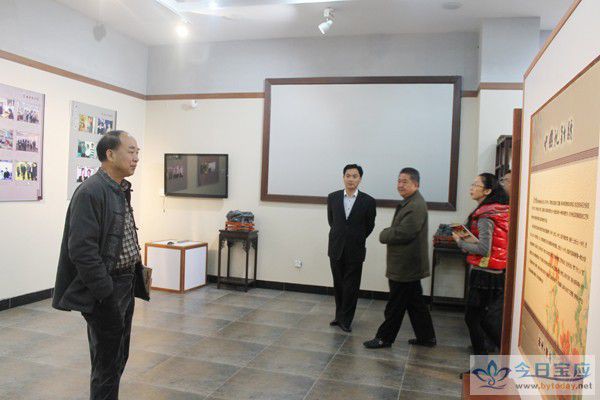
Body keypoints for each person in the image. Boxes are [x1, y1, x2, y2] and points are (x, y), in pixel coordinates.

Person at [52, 130, 148, 400]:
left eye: (137, 153)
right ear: (110, 154)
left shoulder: (119, 188)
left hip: (125, 283)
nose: (136, 158)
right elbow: (82, 251)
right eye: (131, 151)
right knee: (107, 363)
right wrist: (104, 292)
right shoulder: (91, 191)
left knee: (117, 357)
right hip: (107, 288)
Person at [363, 167, 436, 349]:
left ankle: (384, 338)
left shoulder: (415, 205)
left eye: (405, 181)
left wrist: (384, 234)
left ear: (416, 184)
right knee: (415, 303)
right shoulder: (411, 201)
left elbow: (405, 232)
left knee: (395, 305)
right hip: (407, 263)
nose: (400, 185)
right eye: (399, 181)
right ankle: (427, 337)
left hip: (406, 265)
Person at [452, 173, 509, 358]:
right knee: (481, 320)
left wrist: (460, 242)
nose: (472, 188)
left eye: (476, 185)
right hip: (492, 271)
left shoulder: (486, 215)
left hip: (485, 273)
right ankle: (488, 363)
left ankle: (486, 364)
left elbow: (484, 249)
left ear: (487, 191)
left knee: (475, 319)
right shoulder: (495, 211)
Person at [327, 164, 376, 332]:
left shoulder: (368, 201)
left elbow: (369, 226)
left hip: (355, 249)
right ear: (343, 177)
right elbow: (332, 221)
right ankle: (338, 316)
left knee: (351, 286)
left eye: (354, 176)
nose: (351, 179)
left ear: (360, 179)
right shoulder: (332, 197)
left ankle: (346, 320)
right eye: (348, 175)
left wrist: (356, 237)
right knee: (338, 284)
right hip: (336, 247)